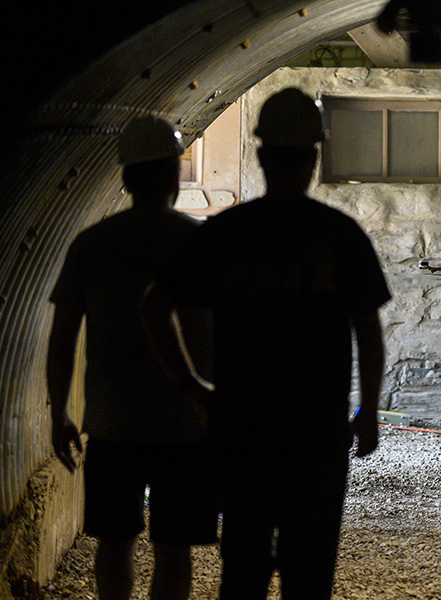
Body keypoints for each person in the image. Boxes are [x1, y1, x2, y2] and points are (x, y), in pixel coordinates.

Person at [142, 87, 390, 600]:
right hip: (316, 435)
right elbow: (367, 328)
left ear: (260, 155)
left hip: (241, 431)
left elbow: (154, 306)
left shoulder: (225, 233)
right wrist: (367, 411)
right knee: (310, 572)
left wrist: (192, 387)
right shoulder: (340, 235)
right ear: (314, 159)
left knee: (244, 570)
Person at [47, 116, 218, 600]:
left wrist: (59, 412)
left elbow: (61, 340)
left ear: (123, 178)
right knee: (174, 548)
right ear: (174, 174)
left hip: (112, 424)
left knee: (115, 542)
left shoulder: (91, 245)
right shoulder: (202, 243)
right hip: (187, 424)